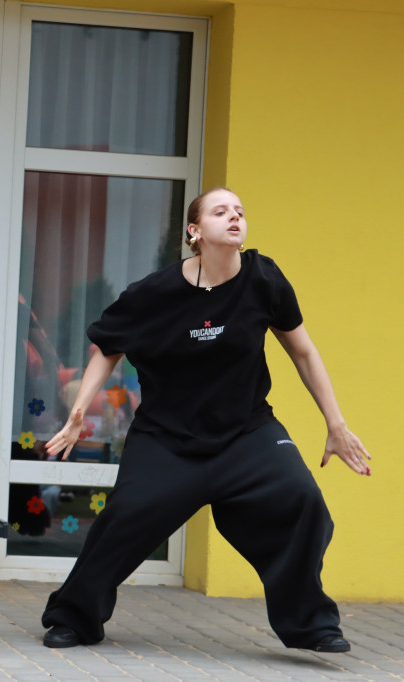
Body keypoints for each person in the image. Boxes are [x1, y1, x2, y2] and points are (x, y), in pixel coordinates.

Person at [40, 188, 371, 654]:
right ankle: (74, 618)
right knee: (124, 519)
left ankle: (310, 624)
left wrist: (335, 423)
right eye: (221, 211)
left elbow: (303, 352)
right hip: (167, 439)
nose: (234, 216)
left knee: (303, 501)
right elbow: (109, 346)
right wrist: (79, 412)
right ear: (195, 231)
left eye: (239, 211)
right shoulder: (154, 293)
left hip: (247, 433)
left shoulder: (263, 279)